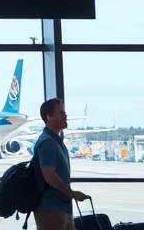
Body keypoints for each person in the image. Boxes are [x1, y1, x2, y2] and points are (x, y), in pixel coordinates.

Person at [34, 98, 90, 230]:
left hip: (62, 209)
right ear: (49, 116)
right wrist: (71, 193)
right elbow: (48, 173)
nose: (66, 116)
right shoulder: (47, 142)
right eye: (61, 113)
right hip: (50, 210)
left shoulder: (56, 142)